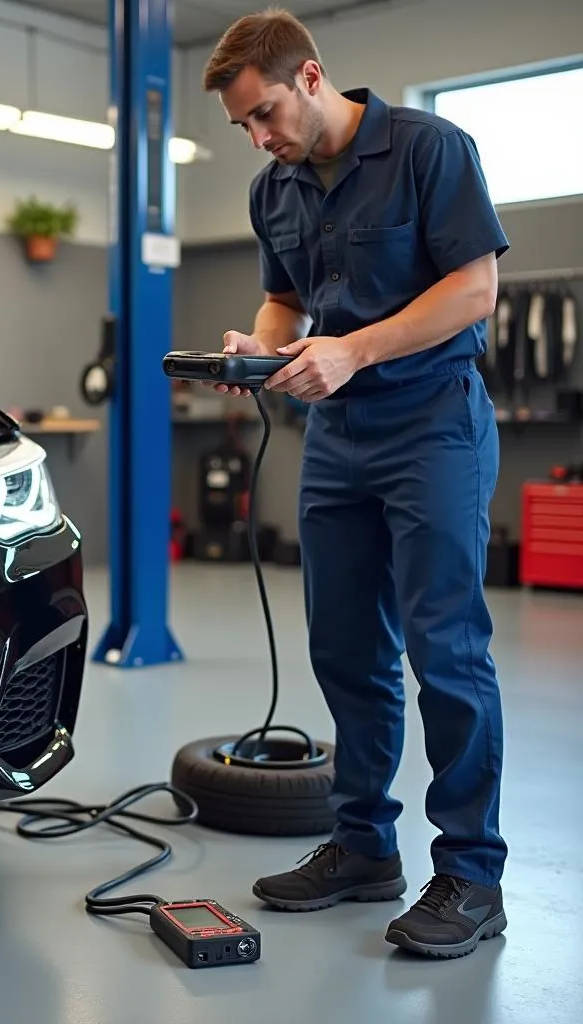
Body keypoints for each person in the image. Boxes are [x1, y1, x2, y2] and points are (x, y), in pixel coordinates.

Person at [200, 8, 509, 959]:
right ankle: (365, 846)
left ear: (310, 76)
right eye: (242, 128)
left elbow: (473, 289)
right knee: (345, 648)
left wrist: (354, 350)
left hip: (432, 423)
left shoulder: (430, 149)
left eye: (263, 115)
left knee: (445, 650)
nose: (258, 139)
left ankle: (470, 873)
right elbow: (288, 297)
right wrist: (262, 345)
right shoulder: (272, 190)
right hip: (336, 436)